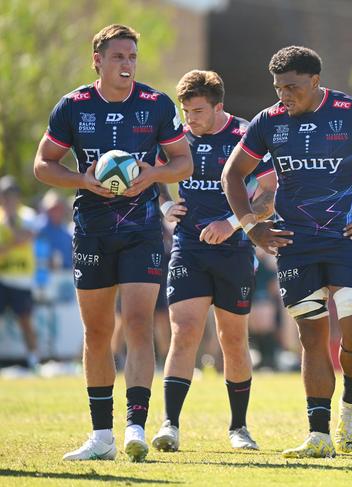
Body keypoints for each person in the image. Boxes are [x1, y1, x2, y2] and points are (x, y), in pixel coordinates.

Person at [222, 46, 352, 458]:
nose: (283, 96)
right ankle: (319, 433)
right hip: (295, 246)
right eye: (277, 88)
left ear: (314, 81)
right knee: (313, 337)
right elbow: (233, 174)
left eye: (291, 87)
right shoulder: (268, 122)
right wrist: (253, 227)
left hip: (344, 240)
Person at [33, 24, 192, 462]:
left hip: (142, 231)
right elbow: (43, 165)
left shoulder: (156, 104)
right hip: (91, 230)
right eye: (119, 56)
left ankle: (136, 426)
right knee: (98, 331)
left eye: (132, 57)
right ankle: (101, 437)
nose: (127, 64)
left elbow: (184, 163)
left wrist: (152, 173)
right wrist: (82, 178)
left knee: (139, 322)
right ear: (97, 61)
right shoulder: (74, 106)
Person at [149, 69, 277, 453]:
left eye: (199, 111)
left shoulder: (245, 135)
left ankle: (239, 428)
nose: (191, 119)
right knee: (184, 330)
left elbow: (269, 193)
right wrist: (167, 204)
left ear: (219, 106)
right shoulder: (177, 136)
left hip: (234, 250)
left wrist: (233, 222)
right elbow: (154, 175)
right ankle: (169, 424)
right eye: (186, 111)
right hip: (189, 247)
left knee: (232, 339)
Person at [0, 176, 39, 371]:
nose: (8, 200)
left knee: (25, 321)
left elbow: (27, 238)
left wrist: (11, 227)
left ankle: (33, 360)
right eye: (5, 196)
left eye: (12, 196)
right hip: (2, 277)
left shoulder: (28, 215)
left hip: (22, 278)